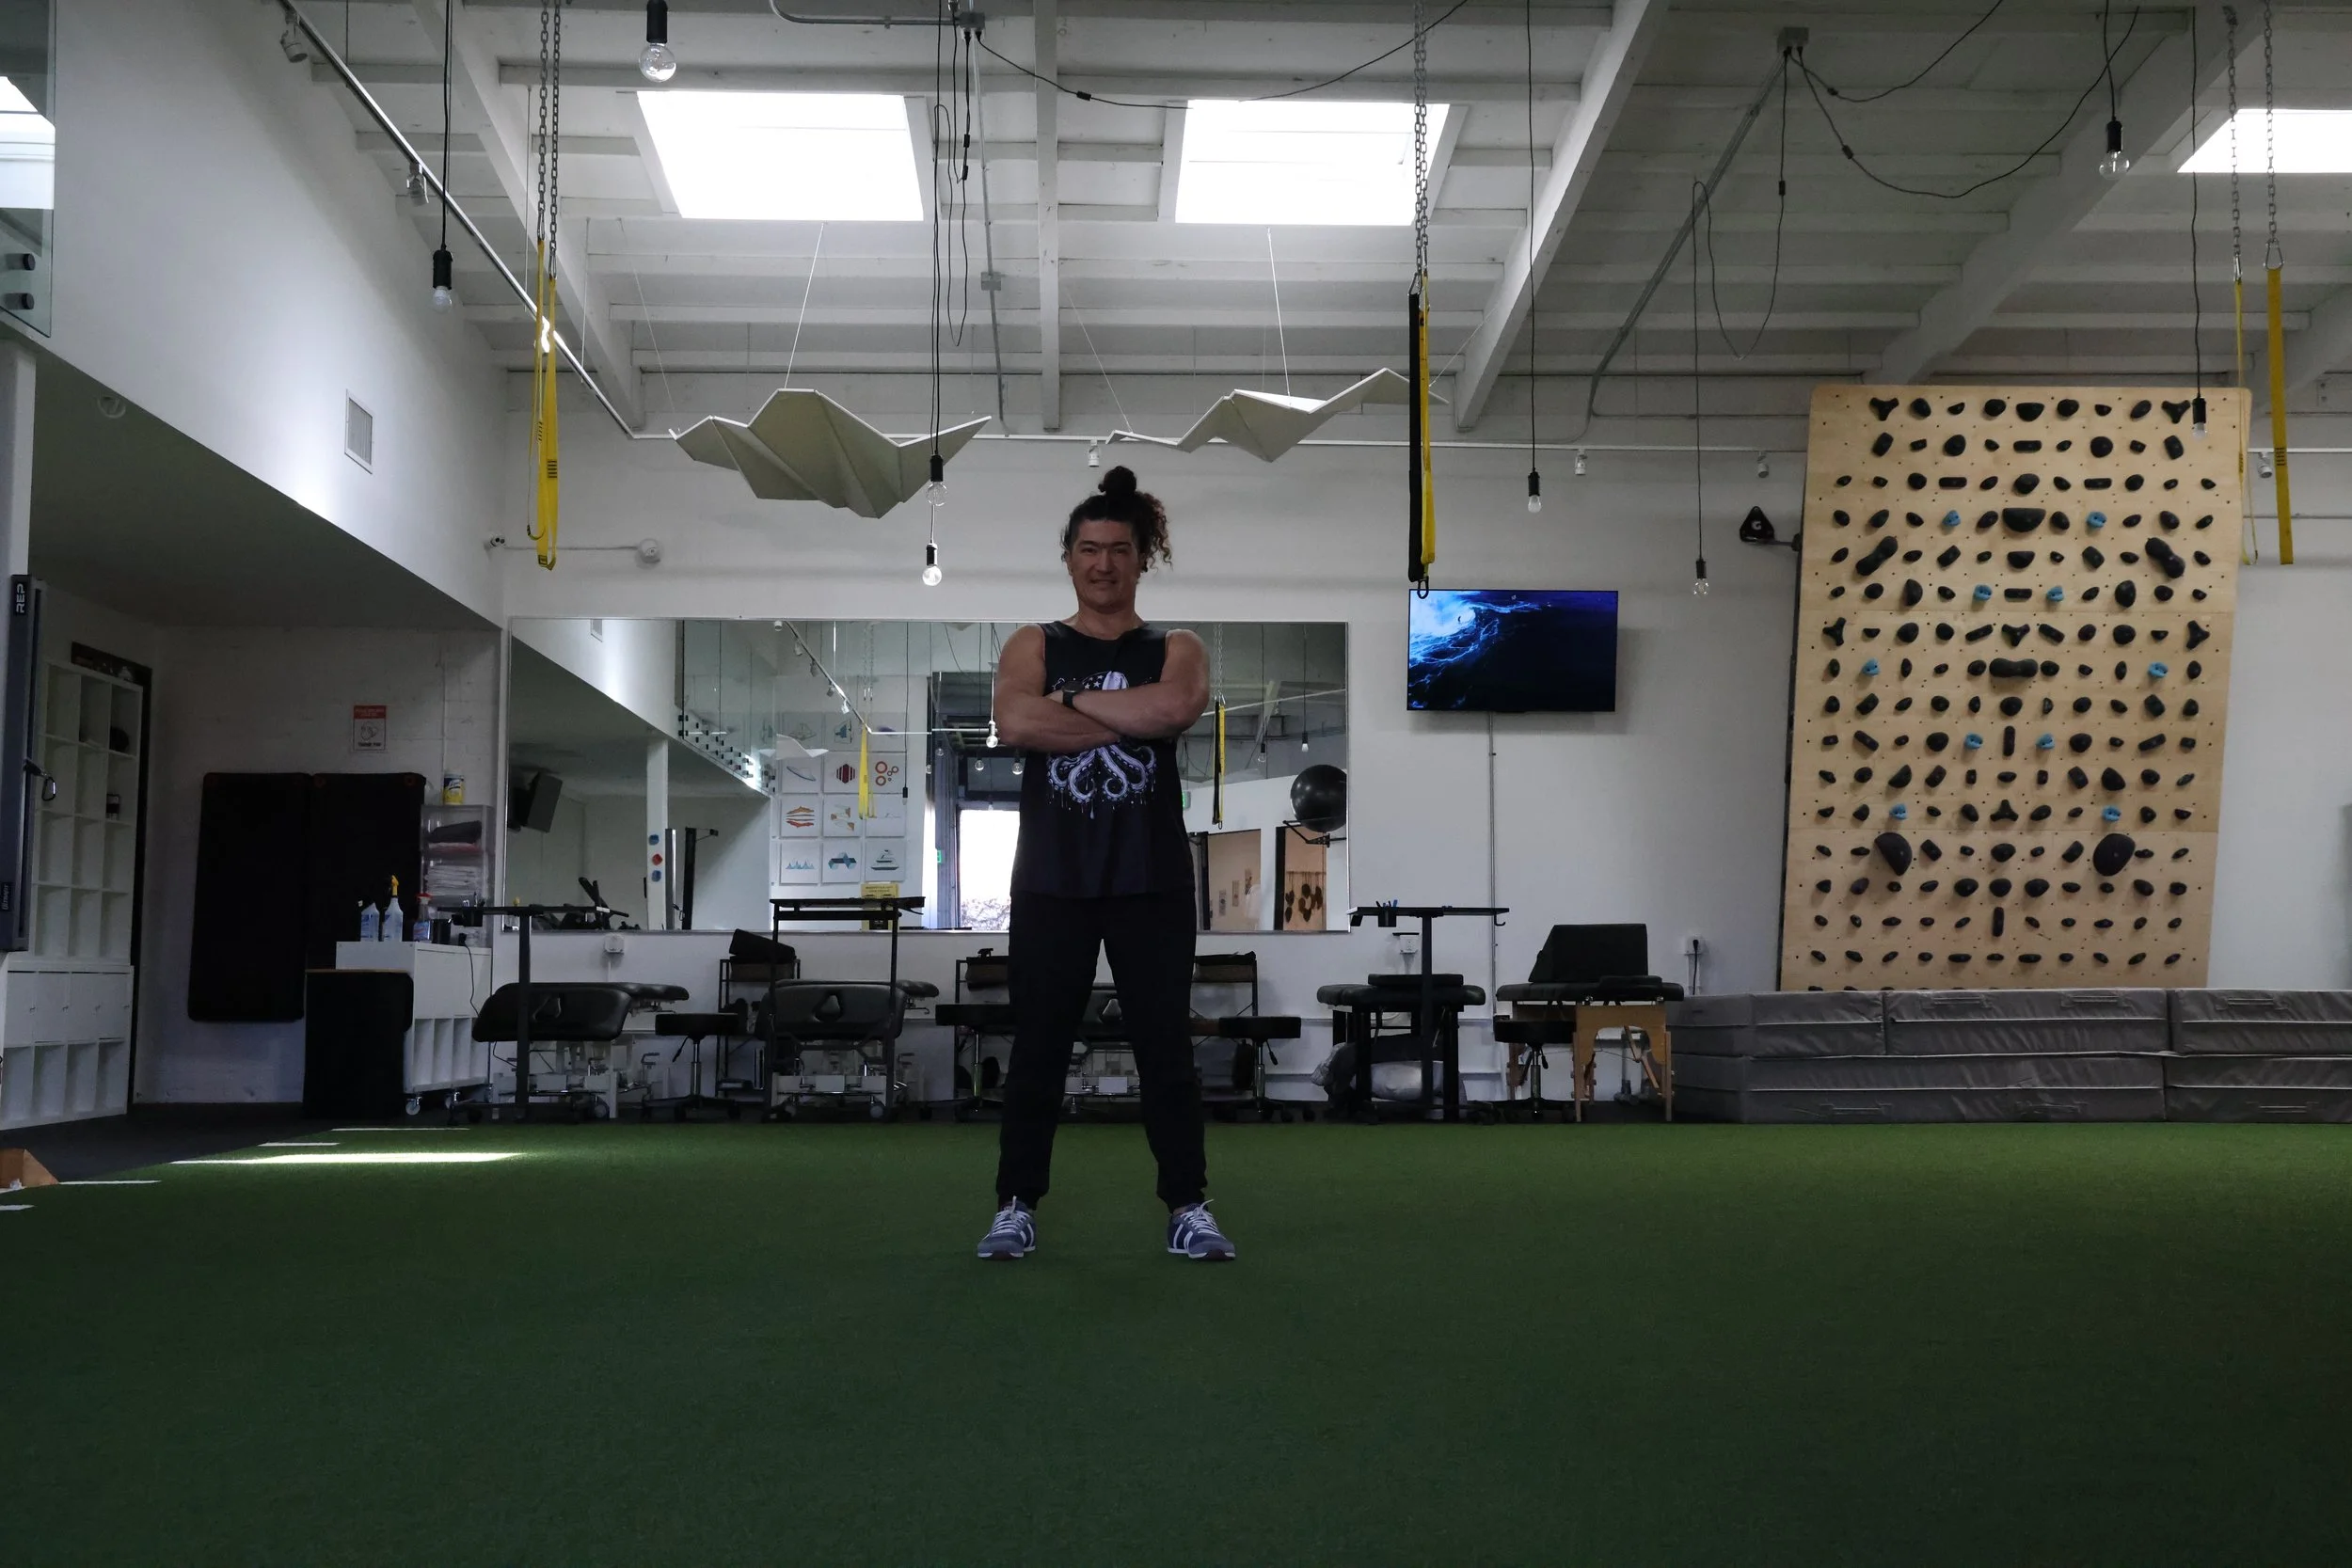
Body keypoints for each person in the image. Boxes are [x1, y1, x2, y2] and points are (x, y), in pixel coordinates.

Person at [976, 467, 1235, 1262]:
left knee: (1166, 1052)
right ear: (1069, 558)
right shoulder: (1033, 643)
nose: (1103, 563)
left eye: (1119, 549)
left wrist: (1067, 703)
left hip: (1151, 879)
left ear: (1141, 558)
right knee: (1039, 1050)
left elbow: (1173, 707)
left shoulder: (1177, 646)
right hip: (1051, 879)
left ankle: (1187, 1206)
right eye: (1089, 549)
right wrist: (1128, 719)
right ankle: (1016, 1204)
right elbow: (1015, 721)